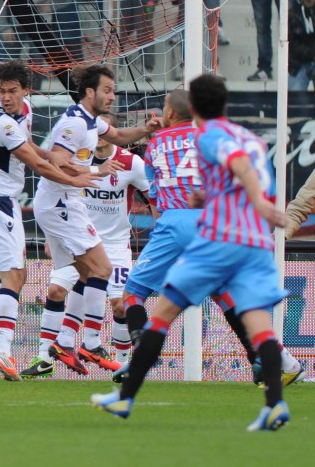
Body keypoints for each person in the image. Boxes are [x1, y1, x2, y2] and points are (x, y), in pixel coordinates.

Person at [92, 74, 292, 432]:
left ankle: (134, 374)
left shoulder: (185, 140)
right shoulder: (246, 137)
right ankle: (272, 391)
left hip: (181, 222)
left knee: (139, 300)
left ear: (171, 111)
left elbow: (161, 189)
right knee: (240, 307)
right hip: (241, 231)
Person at [117, 88, 305, 385]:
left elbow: (154, 199)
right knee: (226, 296)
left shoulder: (154, 146)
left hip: (174, 221)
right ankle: (278, 360)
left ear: (168, 114)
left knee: (133, 294)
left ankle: (140, 350)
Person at [0, 61, 102, 381]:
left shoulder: (25, 111)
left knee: (12, 275)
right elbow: (35, 163)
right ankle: (2, 350)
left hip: (3, 203)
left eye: (12, 91)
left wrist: (56, 158)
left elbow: (34, 150)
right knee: (16, 275)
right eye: (1, 92)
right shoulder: (2, 125)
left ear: (26, 90)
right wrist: (75, 178)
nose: (5, 97)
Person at [31, 65, 161, 375]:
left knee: (89, 275)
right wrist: (93, 172)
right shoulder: (74, 124)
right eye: (107, 91)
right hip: (61, 203)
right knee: (101, 269)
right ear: (90, 93)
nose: (112, 97)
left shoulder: (92, 123)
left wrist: (146, 130)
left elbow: (118, 134)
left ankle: (65, 343)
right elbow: (56, 161)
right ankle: (88, 343)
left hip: (65, 203)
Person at [288, 0, 315, 91]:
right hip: (299, 64)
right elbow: (291, 43)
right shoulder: (292, 13)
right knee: (293, 99)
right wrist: (311, 54)